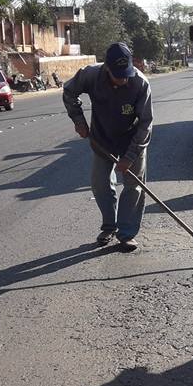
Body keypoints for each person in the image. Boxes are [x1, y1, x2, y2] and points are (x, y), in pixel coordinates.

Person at [62, 42, 154, 251]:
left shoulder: (140, 83)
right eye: (118, 75)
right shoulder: (91, 75)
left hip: (133, 139)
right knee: (100, 184)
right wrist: (79, 120)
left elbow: (146, 123)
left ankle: (126, 233)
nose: (123, 79)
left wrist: (130, 157)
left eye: (126, 74)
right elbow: (69, 91)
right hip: (102, 139)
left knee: (133, 186)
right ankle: (109, 226)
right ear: (107, 68)